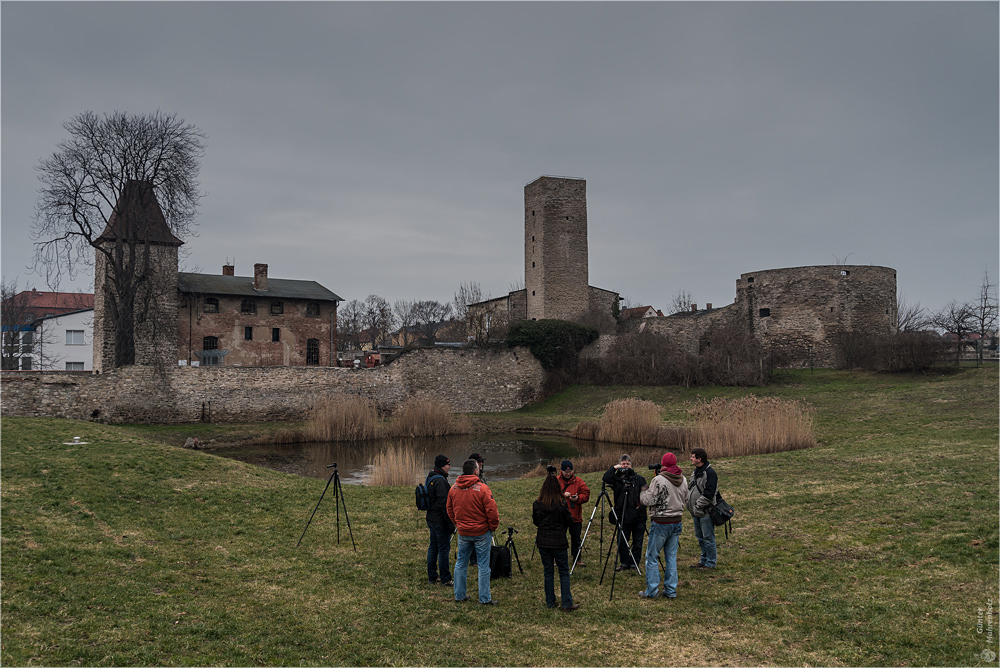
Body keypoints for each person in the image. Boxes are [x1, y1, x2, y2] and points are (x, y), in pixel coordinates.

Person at [447, 458, 500, 605]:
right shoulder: (482, 488)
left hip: (464, 532)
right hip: (481, 532)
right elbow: (492, 511)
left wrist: (458, 523)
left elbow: (449, 509)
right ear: (475, 471)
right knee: (483, 566)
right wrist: (492, 526)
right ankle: (484, 598)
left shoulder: (453, 489)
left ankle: (459, 595)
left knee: (461, 563)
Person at [639, 452, 688, 599]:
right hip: (677, 521)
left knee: (652, 556)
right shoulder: (683, 479)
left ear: (663, 464)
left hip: (661, 522)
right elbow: (685, 497)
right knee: (671, 557)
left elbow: (648, 501)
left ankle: (652, 591)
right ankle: (671, 590)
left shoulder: (658, 480)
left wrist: (643, 491)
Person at [532, 473, 580, 611]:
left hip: (543, 542)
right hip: (559, 542)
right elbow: (570, 521)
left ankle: (550, 602)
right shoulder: (561, 505)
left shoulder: (537, 504)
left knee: (548, 572)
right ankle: (566, 602)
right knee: (563, 571)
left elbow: (536, 521)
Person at [602, 454, 648, 571]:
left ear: (631, 465)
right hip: (623, 515)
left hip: (638, 516)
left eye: (627, 464)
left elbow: (646, 495)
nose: (626, 466)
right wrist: (615, 468)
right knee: (622, 541)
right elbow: (606, 478)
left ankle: (634, 563)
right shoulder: (617, 479)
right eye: (623, 464)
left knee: (637, 542)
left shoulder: (638, 479)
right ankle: (624, 562)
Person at [687, 447, 719, 569]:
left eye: (693, 457)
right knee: (700, 538)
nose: (691, 458)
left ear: (699, 459)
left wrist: (697, 505)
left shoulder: (710, 473)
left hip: (705, 512)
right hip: (696, 513)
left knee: (708, 538)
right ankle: (703, 560)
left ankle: (710, 563)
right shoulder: (695, 472)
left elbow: (709, 494)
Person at [425, 455, 454, 586]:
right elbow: (444, 505)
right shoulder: (441, 482)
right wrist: (450, 523)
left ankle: (432, 576)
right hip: (439, 520)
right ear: (442, 466)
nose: (450, 467)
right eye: (448, 465)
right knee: (443, 549)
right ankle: (445, 578)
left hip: (431, 518)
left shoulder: (430, 477)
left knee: (433, 547)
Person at [556, 460, 590, 566]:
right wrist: (562, 495)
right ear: (561, 471)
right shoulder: (556, 480)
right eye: (566, 471)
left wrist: (578, 498)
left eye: (570, 471)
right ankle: (557, 559)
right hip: (560, 516)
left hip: (575, 516)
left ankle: (577, 559)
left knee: (576, 539)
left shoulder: (579, 481)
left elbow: (586, 494)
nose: (568, 473)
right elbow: (551, 495)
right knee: (559, 539)